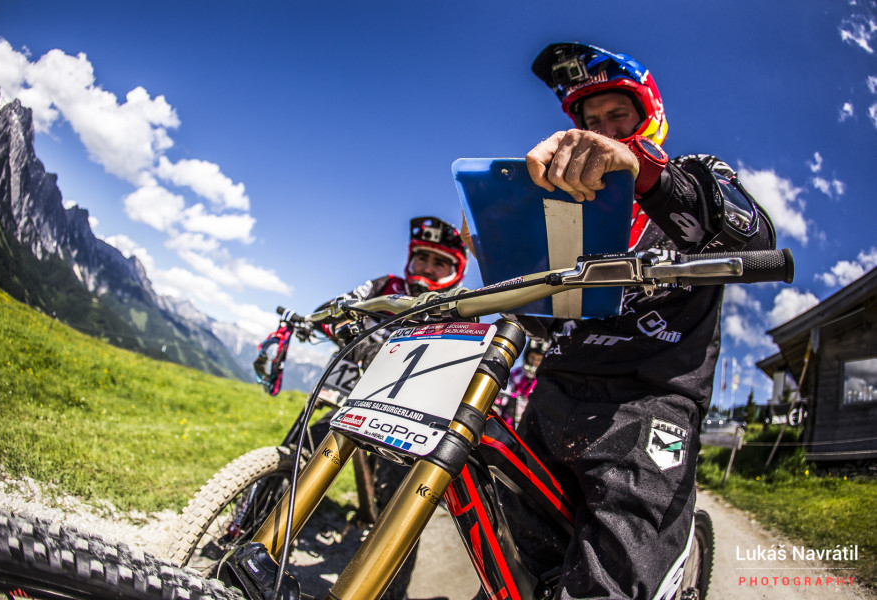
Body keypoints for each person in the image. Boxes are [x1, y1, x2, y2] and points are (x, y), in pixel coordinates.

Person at [503, 42, 777, 600]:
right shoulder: (570, 211)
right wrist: (500, 253)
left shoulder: (692, 174)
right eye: (592, 120)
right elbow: (546, 317)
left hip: (650, 402)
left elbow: (756, 237)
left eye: (617, 116)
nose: (602, 130)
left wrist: (642, 169)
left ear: (648, 116)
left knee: (607, 586)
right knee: (516, 558)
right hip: (556, 393)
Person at [221, 216, 469, 600]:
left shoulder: (462, 307)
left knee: (397, 503)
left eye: (440, 262)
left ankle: (390, 590)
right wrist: (329, 324)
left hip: (408, 414)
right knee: (305, 447)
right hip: (354, 392)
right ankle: (248, 533)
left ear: (457, 268)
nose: (427, 268)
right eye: (422, 257)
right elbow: (338, 308)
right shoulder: (384, 286)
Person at [494, 338, 547, 428]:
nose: (534, 362)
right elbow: (501, 398)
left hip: (529, 428)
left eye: (539, 359)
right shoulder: (515, 375)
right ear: (527, 356)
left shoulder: (544, 381)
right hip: (508, 426)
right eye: (532, 357)